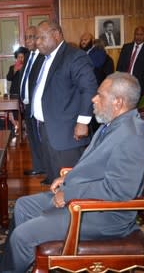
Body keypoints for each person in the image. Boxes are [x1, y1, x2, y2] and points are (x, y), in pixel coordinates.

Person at [0, 72, 144, 273]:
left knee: (22, 236)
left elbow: (119, 190)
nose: (93, 99)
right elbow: (96, 165)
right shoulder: (114, 124)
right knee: (23, 205)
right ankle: (21, 263)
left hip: (105, 215)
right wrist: (68, 177)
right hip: (88, 200)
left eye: (100, 95)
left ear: (118, 102)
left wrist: (69, 193)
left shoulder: (132, 136)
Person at [32, 20, 97, 185]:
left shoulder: (74, 56)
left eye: (41, 37)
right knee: (55, 178)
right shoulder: (43, 59)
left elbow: (89, 89)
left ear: (56, 34)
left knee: (71, 181)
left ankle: (73, 210)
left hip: (68, 132)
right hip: (46, 128)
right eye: (36, 38)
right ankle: (57, 209)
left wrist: (83, 122)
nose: (37, 42)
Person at [19, 26, 46, 177]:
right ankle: (38, 166)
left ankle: (47, 168)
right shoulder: (29, 56)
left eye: (31, 37)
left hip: (37, 105)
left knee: (41, 137)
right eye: (26, 37)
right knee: (33, 138)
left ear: (38, 38)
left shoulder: (43, 56)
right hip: (27, 104)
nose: (28, 40)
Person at [79, 33, 115, 133]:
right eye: (81, 40)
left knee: (97, 122)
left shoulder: (101, 56)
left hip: (97, 92)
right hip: (83, 93)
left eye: (85, 39)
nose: (83, 42)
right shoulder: (80, 54)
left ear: (92, 41)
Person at [116, 26, 144, 96]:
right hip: (124, 83)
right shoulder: (126, 47)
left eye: (141, 35)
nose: (138, 37)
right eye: (137, 34)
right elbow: (119, 65)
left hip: (139, 84)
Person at [6, 46, 28, 134]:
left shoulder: (28, 67)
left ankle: (25, 131)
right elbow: (8, 78)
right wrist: (15, 69)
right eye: (19, 57)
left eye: (22, 57)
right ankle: (16, 130)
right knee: (15, 114)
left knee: (24, 114)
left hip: (25, 94)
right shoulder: (12, 67)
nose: (20, 59)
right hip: (14, 94)